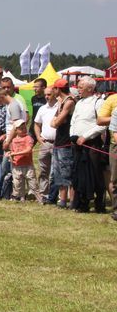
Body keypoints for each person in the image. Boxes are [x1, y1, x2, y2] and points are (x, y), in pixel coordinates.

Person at [69, 76, 106, 213]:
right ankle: (82, 203)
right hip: (77, 143)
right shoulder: (79, 103)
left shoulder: (98, 102)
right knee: (79, 174)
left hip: (91, 144)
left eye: (80, 87)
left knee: (95, 173)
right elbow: (73, 121)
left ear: (90, 88)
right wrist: (73, 135)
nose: (78, 89)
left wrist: (85, 136)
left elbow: (102, 125)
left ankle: (99, 202)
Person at [50, 79, 76, 209]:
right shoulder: (61, 102)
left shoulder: (70, 101)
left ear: (58, 89)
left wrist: (56, 119)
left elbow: (55, 123)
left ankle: (72, 201)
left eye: (53, 89)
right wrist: (55, 119)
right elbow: (52, 122)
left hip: (66, 142)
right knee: (58, 173)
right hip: (59, 141)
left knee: (68, 173)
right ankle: (62, 200)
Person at [33, 86, 57, 202]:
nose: (47, 97)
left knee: (55, 171)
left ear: (55, 94)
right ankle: (44, 194)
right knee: (43, 170)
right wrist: (38, 137)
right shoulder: (42, 108)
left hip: (58, 144)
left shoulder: (60, 107)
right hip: (45, 143)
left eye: (49, 94)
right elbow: (37, 124)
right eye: (46, 95)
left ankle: (54, 195)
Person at [8, 119, 41, 201]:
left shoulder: (28, 138)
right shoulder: (13, 140)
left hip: (28, 165)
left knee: (33, 183)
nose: (24, 130)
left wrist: (14, 154)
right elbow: (11, 151)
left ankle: (40, 199)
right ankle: (22, 198)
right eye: (21, 128)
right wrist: (10, 155)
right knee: (18, 183)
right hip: (17, 165)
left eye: (24, 128)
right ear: (16, 130)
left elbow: (28, 150)